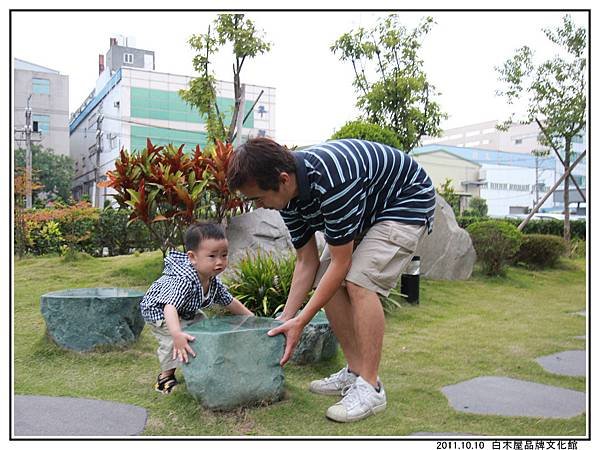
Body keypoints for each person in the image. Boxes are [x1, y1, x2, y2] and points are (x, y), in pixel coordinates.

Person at [227, 137, 435, 422]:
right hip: (370, 209)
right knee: (326, 278)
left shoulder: (332, 179)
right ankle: (355, 371)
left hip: (406, 201)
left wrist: (302, 320)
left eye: (258, 198)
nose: (259, 206)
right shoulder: (288, 200)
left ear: (283, 179)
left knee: (359, 281)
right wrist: (286, 318)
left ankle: (371, 387)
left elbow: (342, 263)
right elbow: (306, 261)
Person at [140, 222, 253, 394]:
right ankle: (165, 377)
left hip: (185, 310)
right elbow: (170, 307)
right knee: (172, 341)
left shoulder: (212, 279)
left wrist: (253, 319)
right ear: (192, 257)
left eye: (224, 255)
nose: (219, 262)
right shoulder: (184, 279)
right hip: (160, 311)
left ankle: (198, 365)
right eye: (212, 256)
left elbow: (229, 301)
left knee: (204, 328)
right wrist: (177, 334)